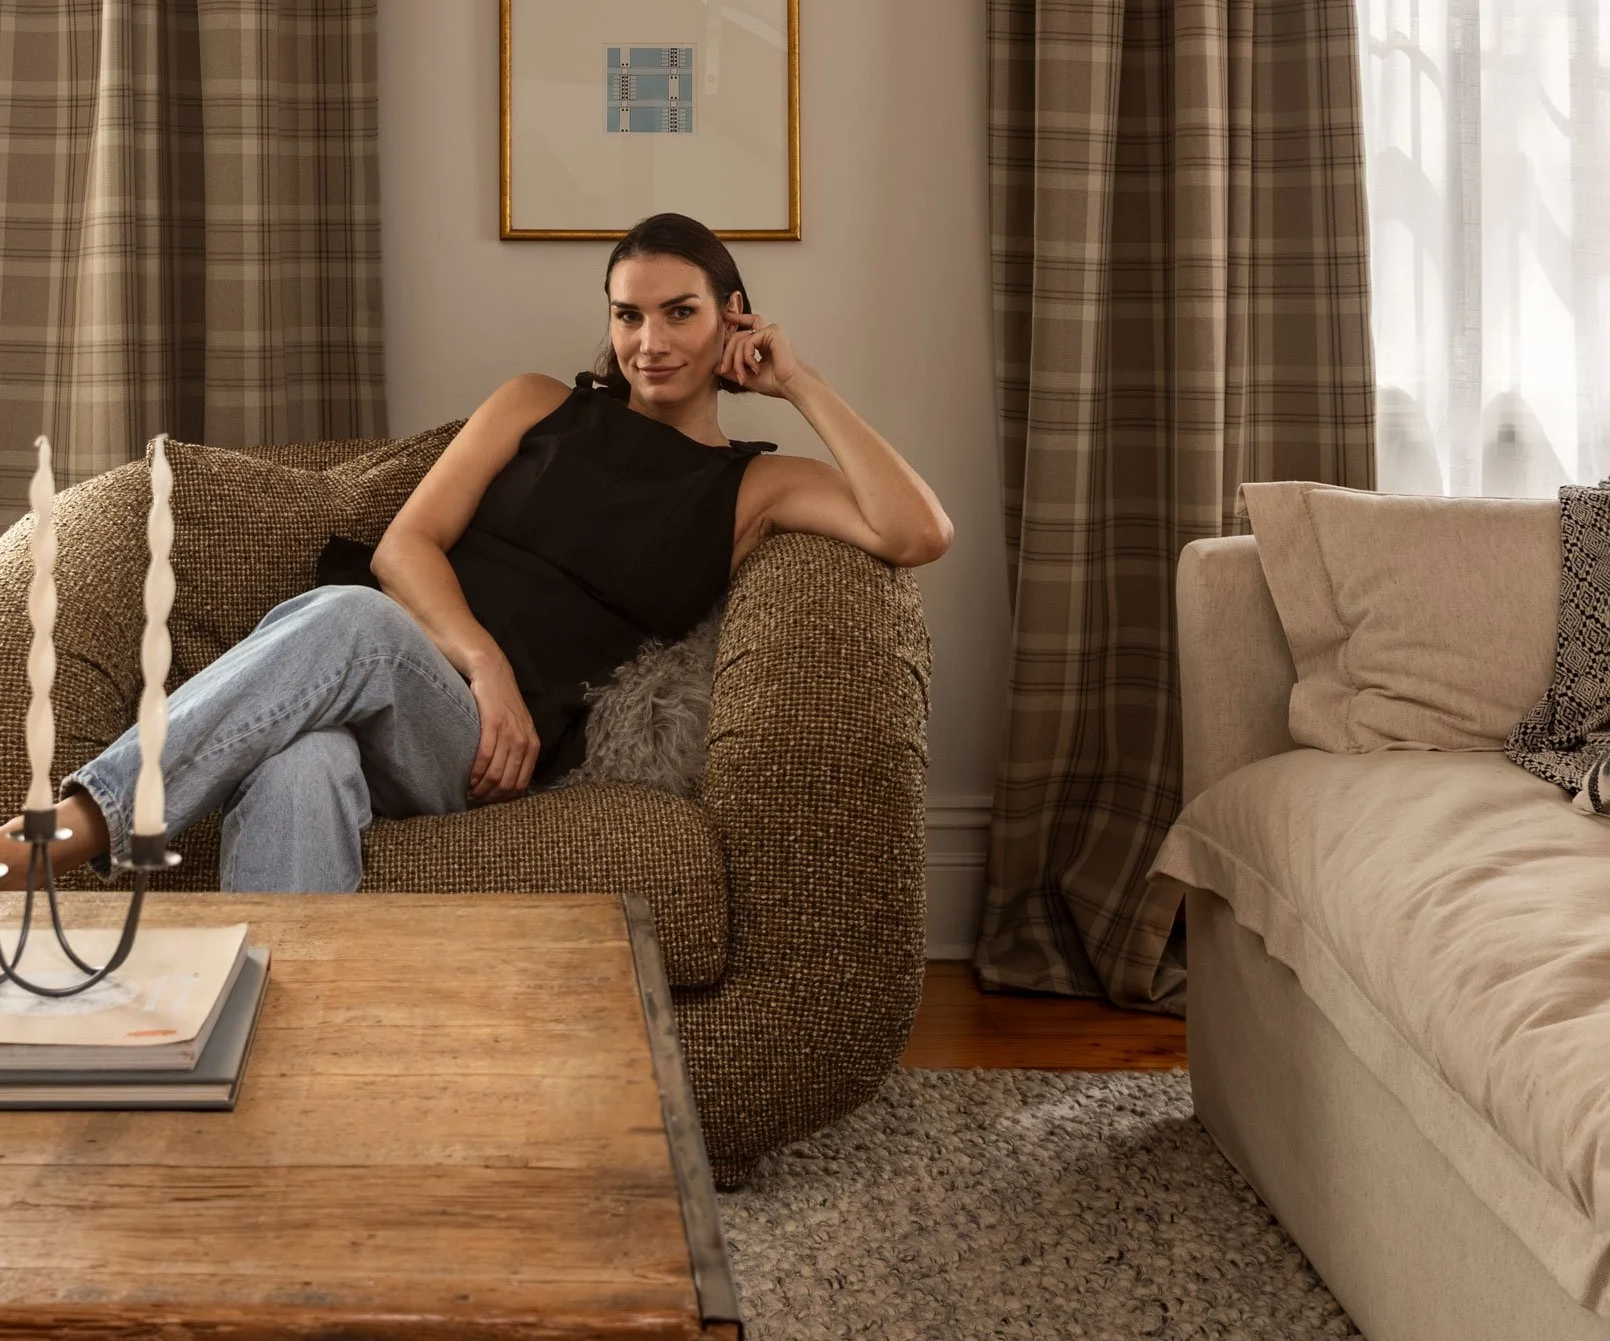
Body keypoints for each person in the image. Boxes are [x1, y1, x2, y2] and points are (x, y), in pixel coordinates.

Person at [2, 214, 952, 895]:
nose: (649, 342)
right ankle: (299, 1079)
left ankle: (69, 832)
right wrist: (482, 659)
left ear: (734, 320)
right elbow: (407, 544)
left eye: (680, 313)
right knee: (302, 772)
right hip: (398, 680)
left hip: (478, 750)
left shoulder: (755, 486)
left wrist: (800, 381)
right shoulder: (537, 402)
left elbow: (918, 532)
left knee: (350, 620)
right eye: (628, 315)